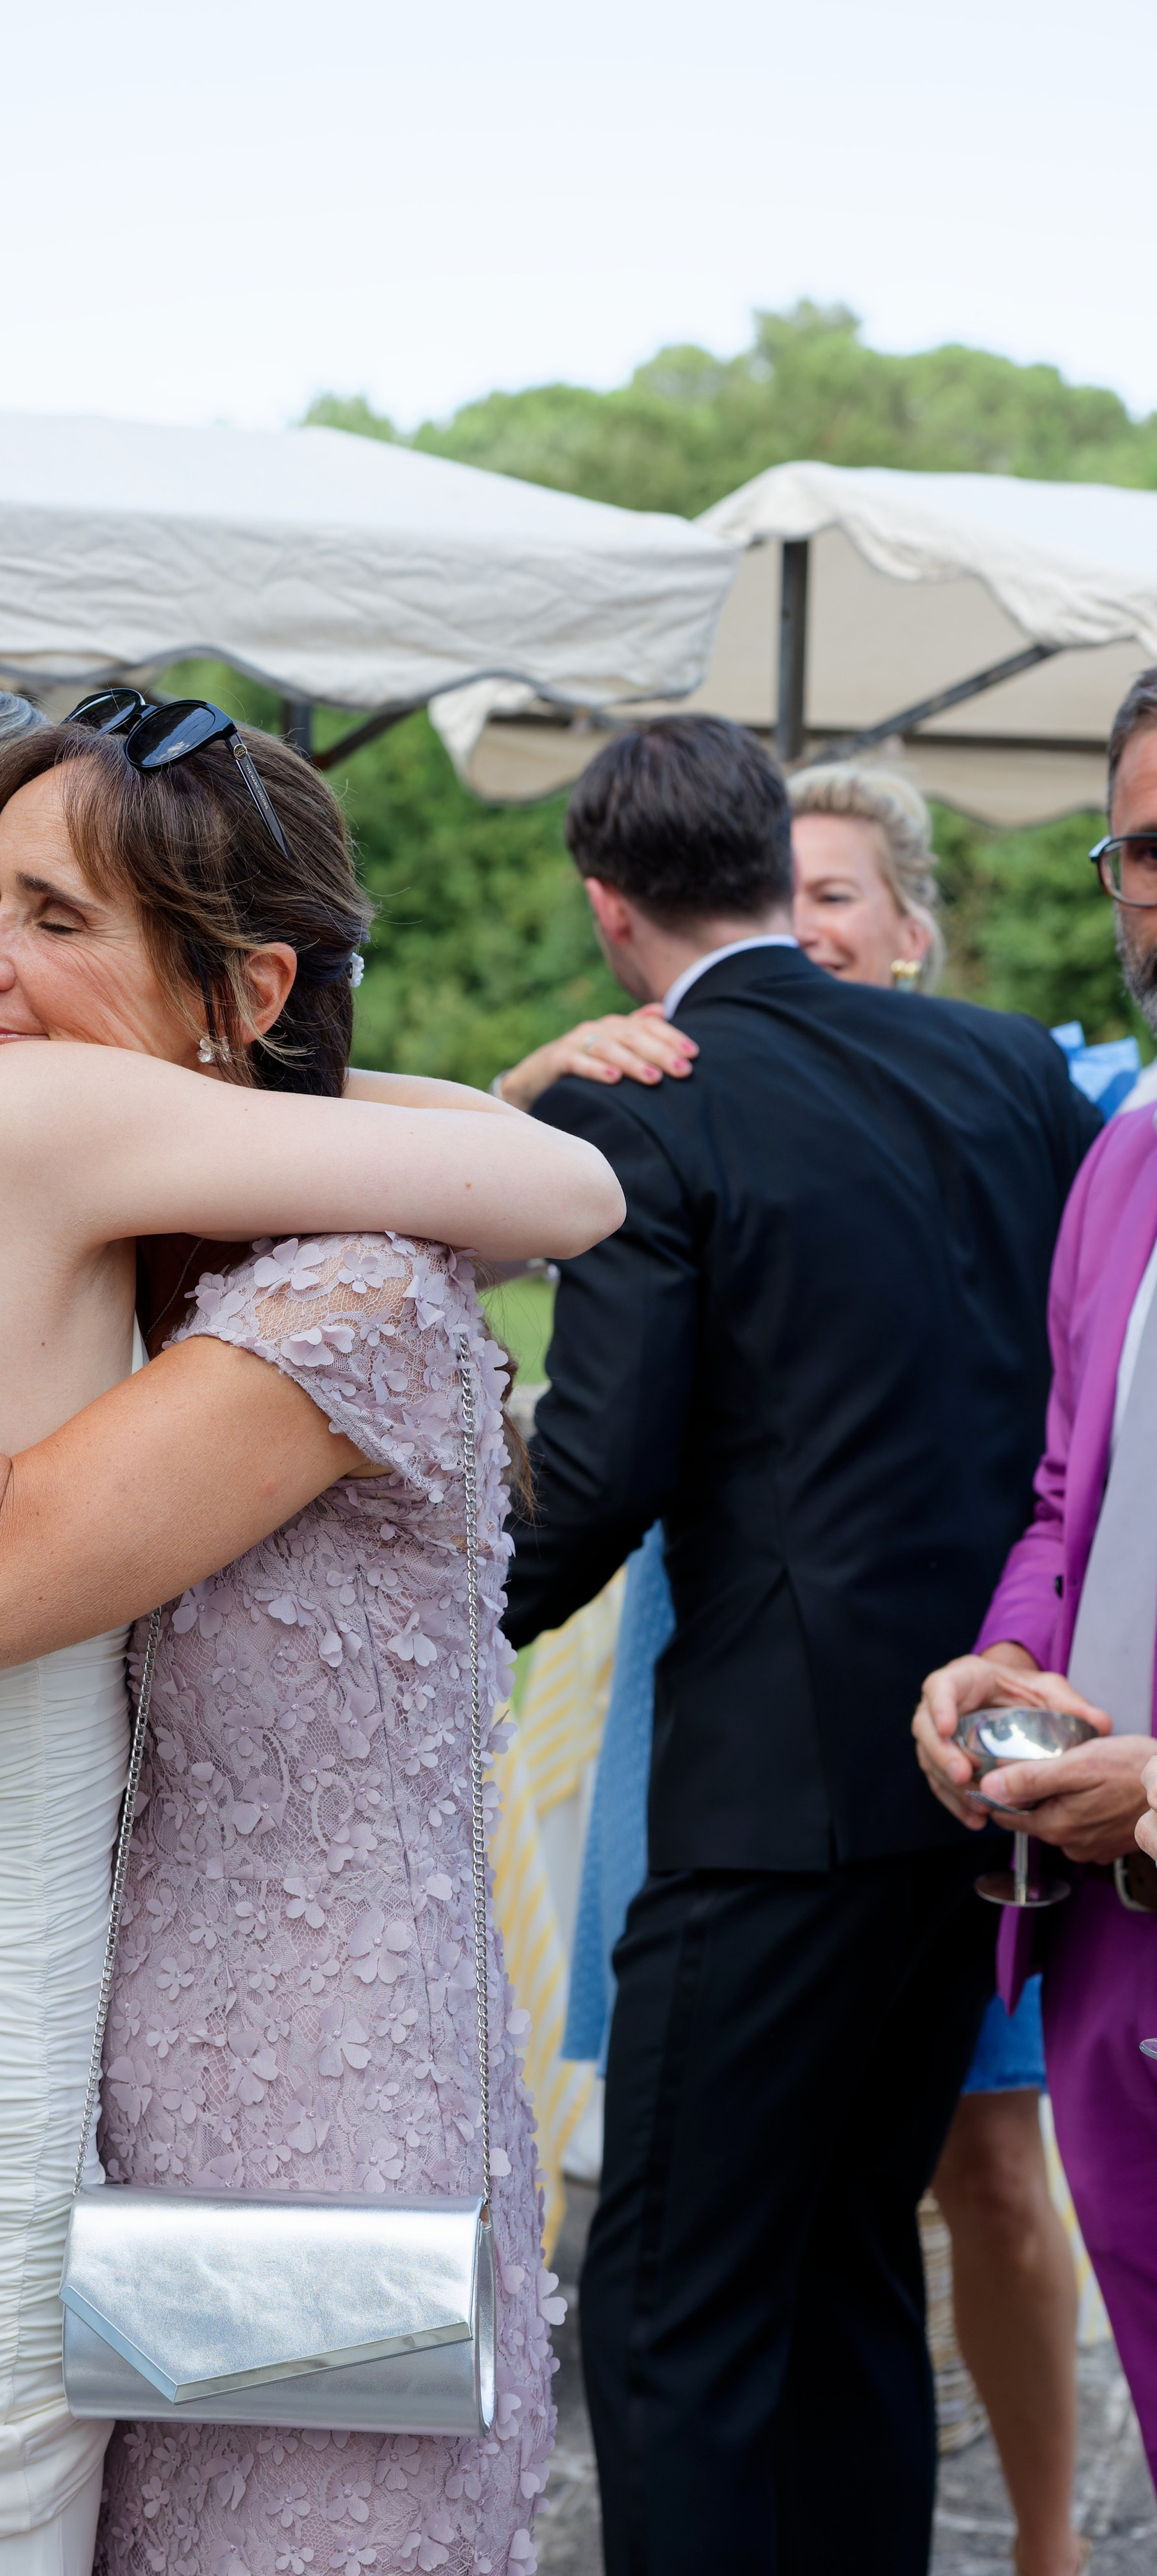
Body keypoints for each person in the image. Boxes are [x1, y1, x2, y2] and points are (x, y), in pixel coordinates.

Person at [0, 673, 621, 2575]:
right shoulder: (53, 1218)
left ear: (249, 989)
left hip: (271, 2105)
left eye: (52, 918)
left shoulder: (324, 1297)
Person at [499, 715, 1097, 2576]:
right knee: (848, 2264)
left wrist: (422, 1626)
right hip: (990, 1776)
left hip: (769, 1800)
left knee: (671, 2297)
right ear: (771, 858)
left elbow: (588, 1479)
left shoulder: (645, 1098)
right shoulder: (1014, 1073)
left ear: (610, 910)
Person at [917, 663, 1157, 2498]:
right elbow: (1068, 1489)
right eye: (1147, 851)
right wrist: (1002, 1651)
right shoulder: (1128, 1157)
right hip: (1108, 1941)